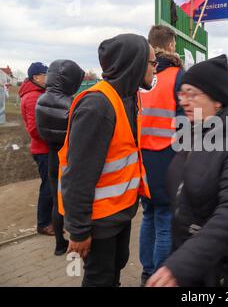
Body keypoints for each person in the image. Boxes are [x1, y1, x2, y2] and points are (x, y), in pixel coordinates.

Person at [146, 55, 228, 287]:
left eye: (192, 94)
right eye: (182, 94)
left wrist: (180, 266)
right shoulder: (194, 131)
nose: (184, 101)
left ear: (217, 100)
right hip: (200, 268)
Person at [59, 34, 154, 287]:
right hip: (98, 220)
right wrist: (78, 230)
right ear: (135, 63)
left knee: (115, 270)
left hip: (120, 212)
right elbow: (78, 175)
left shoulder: (130, 97)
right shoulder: (97, 106)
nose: (156, 69)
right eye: (152, 62)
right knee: (99, 279)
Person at [139, 25, 185, 286]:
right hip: (167, 156)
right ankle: (158, 276)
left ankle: (147, 271)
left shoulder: (139, 73)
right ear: (169, 46)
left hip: (140, 157)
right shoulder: (178, 75)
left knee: (148, 215)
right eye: (175, 45)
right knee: (166, 218)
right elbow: (185, 123)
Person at [35, 60, 85, 255]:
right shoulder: (72, 104)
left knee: (57, 202)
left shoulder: (40, 101)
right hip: (69, 158)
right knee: (72, 201)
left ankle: (59, 244)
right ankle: (76, 240)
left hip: (51, 157)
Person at [19, 62, 54, 236]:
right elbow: (35, 129)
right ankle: (43, 223)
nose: (47, 76)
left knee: (51, 185)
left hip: (44, 148)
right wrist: (54, 139)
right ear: (36, 77)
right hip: (43, 149)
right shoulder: (33, 96)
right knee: (48, 187)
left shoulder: (39, 93)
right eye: (44, 74)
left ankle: (50, 220)